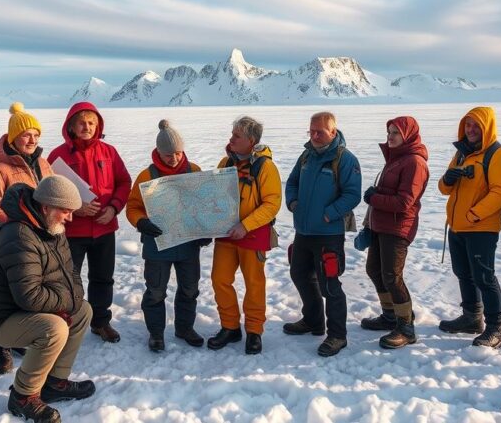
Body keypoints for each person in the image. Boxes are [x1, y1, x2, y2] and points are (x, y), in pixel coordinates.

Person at [0, 177, 96, 422]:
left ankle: (55, 382)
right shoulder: (18, 236)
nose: (70, 218)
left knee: (83, 310)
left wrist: (72, 302)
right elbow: (30, 296)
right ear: (46, 207)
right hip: (3, 321)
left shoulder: (51, 228)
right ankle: (23, 396)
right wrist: (64, 305)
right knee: (54, 328)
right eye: (66, 211)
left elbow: (70, 272)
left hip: (31, 310)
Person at [47, 102, 131, 343]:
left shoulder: (109, 152)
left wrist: (114, 207)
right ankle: (66, 322)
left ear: (98, 125)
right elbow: (48, 193)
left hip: (104, 228)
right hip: (72, 231)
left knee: (103, 277)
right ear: (71, 126)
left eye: (91, 123)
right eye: (81, 122)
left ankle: (100, 322)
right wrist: (75, 209)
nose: (87, 127)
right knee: (67, 279)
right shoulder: (58, 156)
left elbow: (124, 182)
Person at [126, 120, 209, 353]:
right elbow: (133, 207)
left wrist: (206, 231)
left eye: (177, 152)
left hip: (188, 243)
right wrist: (141, 222)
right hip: (157, 245)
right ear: (158, 152)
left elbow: (205, 206)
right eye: (168, 154)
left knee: (190, 288)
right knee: (155, 291)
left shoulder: (194, 171)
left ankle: (184, 328)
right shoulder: (147, 175)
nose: (173, 158)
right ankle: (156, 333)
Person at [283, 112, 361, 357]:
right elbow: (292, 182)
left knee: (330, 285)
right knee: (299, 274)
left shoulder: (345, 160)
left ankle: (337, 335)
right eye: (311, 131)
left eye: (320, 132)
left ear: (333, 132)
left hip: (329, 234)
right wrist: (293, 202)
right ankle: (313, 320)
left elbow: (352, 194)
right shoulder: (306, 156)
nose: (314, 136)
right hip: (304, 232)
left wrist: (329, 214)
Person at [437, 106, 501, 348]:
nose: (470, 130)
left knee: (484, 276)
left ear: (486, 127)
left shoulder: (498, 155)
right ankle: (472, 317)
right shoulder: (462, 153)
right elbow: (444, 188)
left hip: (480, 227)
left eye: (476, 125)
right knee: (464, 273)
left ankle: (496, 327)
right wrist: (448, 179)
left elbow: (500, 193)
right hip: (458, 226)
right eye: (467, 125)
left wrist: (474, 215)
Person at [208, 115, 282, 355]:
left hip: (252, 235)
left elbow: (272, 204)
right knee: (220, 279)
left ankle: (254, 331)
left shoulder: (265, 166)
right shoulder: (225, 163)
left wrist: (246, 225)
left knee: (254, 284)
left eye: (236, 136)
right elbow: (215, 196)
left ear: (251, 140)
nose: (231, 139)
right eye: (232, 135)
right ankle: (229, 327)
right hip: (226, 234)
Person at [360, 116, 429, 350]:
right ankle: (390, 314)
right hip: (381, 224)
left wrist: (374, 197)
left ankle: (406, 327)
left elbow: (405, 201)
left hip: (398, 226)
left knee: (391, 275)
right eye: (389, 132)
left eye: (395, 133)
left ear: (408, 135)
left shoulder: (414, 162)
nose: (390, 137)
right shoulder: (397, 158)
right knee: (374, 270)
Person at [0, 103, 54, 223]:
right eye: (26, 135)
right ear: (14, 138)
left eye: (36, 135)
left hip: (47, 231)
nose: (33, 141)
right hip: (19, 236)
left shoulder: (43, 163)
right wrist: (17, 224)